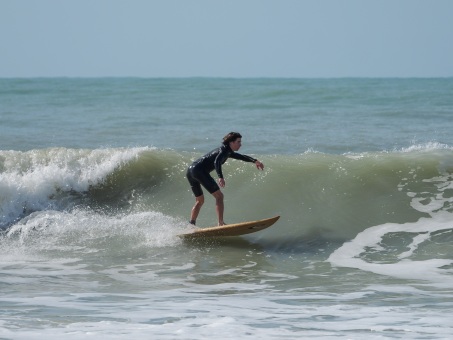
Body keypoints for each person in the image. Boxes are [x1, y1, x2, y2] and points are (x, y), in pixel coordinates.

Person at [186, 132, 264, 226]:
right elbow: (217, 162)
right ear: (231, 142)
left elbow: (240, 157)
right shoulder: (224, 151)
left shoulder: (226, 151)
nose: (240, 144)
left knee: (200, 201)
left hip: (191, 170)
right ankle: (221, 223)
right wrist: (220, 177)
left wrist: (255, 161)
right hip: (199, 171)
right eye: (238, 142)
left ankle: (191, 223)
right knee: (219, 197)